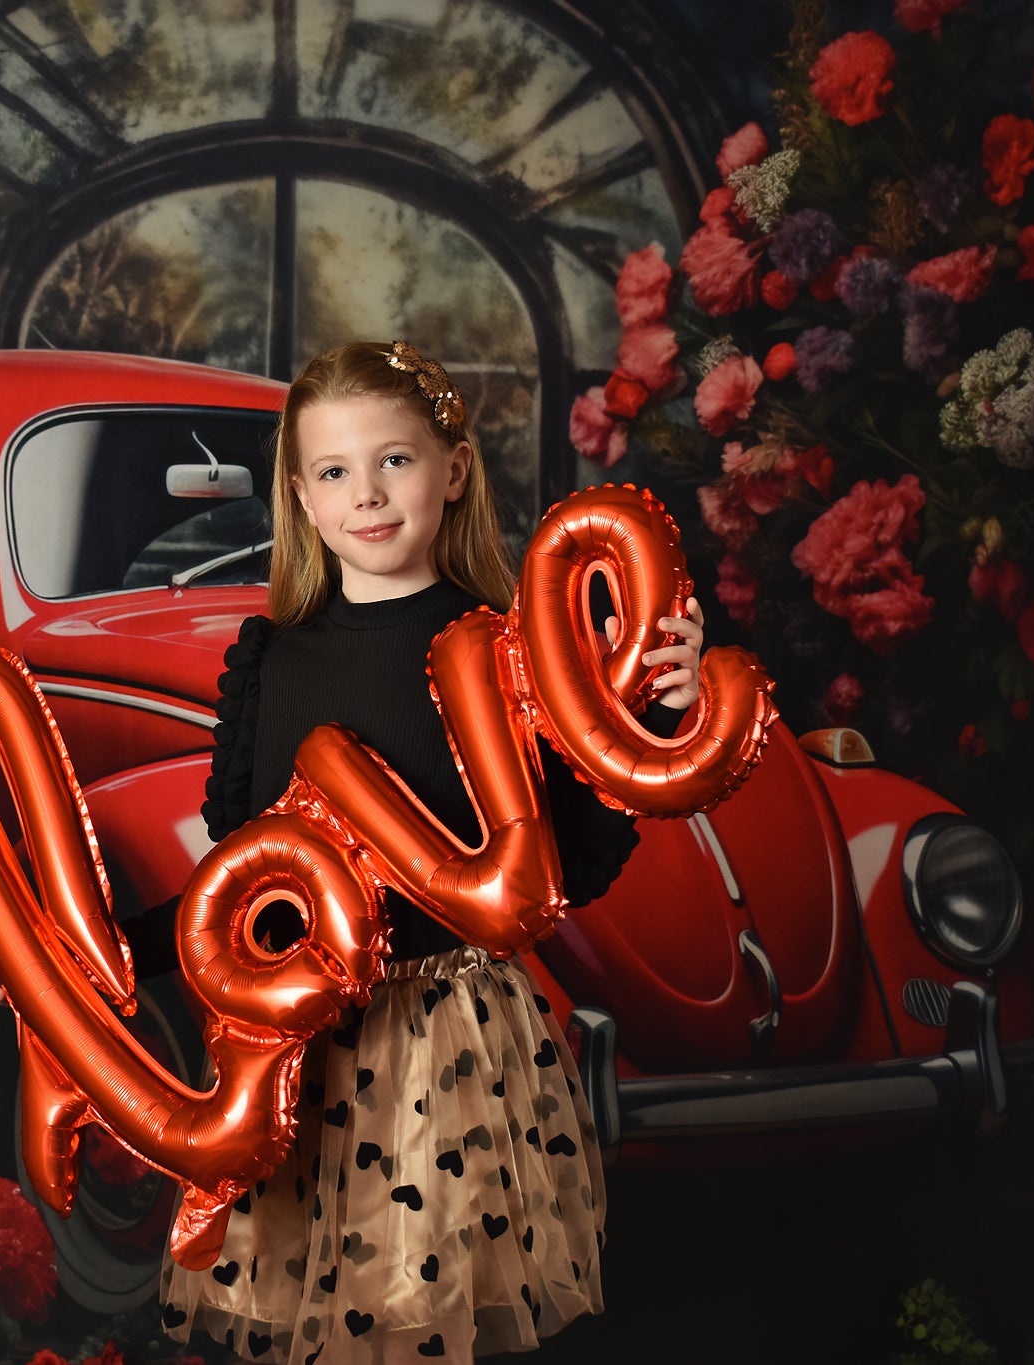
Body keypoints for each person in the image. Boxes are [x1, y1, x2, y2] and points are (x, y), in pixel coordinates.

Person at [129, 339, 705, 1365]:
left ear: (451, 469)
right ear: (301, 498)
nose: (368, 495)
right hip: (302, 1059)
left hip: (451, 1055)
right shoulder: (272, 662)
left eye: (393, 460)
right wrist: (95, 953)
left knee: (418, 1327)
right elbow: (245, 892)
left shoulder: (510, 650)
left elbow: (574, 862)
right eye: (336, 472)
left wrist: (660, 717)